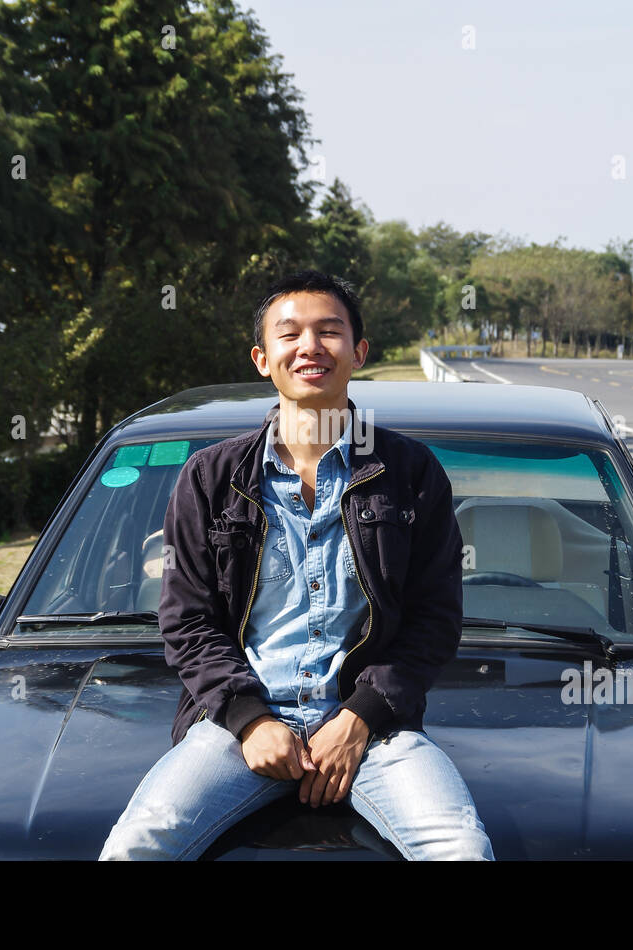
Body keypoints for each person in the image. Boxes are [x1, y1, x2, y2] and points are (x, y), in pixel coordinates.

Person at [99, 270, 493, 860]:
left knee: (459, 847)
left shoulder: (410, 472)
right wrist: (251, 719)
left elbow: (434, 619)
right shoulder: (210, 478)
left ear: (358, 352)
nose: (310, 346)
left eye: (329, 332)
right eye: (290, 334)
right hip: (236, 729)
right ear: (263, 358)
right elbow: (187, 622)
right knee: (137, 844)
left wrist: (359, 719)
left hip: (374, 730)